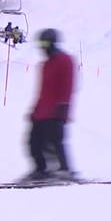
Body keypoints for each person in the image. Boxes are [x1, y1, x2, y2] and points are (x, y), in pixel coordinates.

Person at [25, 29, 75, 181]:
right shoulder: (46, 64)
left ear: (53, 43)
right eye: (41, 43)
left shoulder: (64, 60)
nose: (43, 47)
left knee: (55, 142)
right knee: (33, 142)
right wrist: (35, 110)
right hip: (42, 112)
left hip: (56, 111)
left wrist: (63, 106)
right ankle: (41, 170)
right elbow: (43, 90)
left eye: (46, 43)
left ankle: (64, 170)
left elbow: (67, 85)